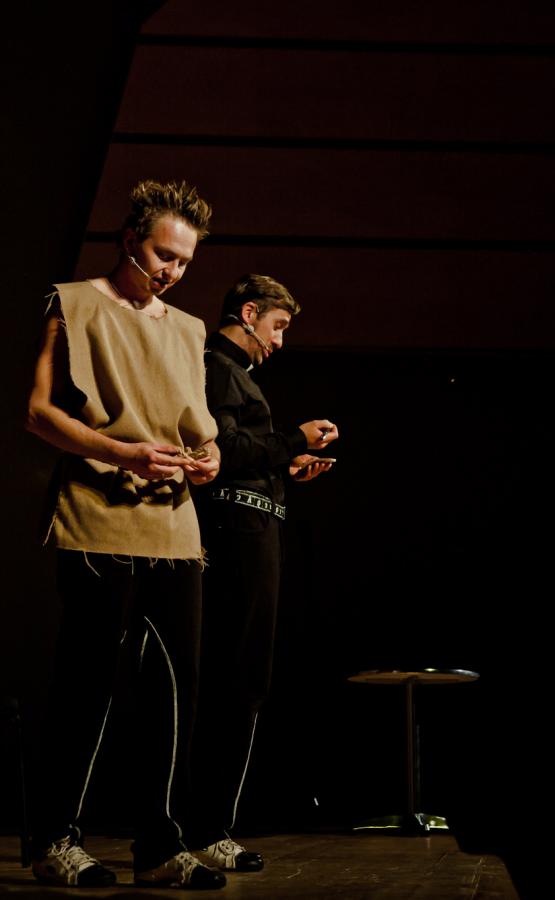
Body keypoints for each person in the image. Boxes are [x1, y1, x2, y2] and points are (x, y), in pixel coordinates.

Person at [25, 179, 227, 890]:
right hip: (98, 517)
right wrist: (123, 453)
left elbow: (201, 428)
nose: (171, 271)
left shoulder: (190, 329)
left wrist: (210, 458)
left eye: (183, 262)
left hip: (175, 525)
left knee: (176, 690)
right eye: (162, 255)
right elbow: (39, 412)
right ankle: (54, 840)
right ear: (129, 240)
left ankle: (159, 846)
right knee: (88, 685)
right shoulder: (72, 303)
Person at [186, 273, 339, 872]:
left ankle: (210, 825)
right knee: (235, 679)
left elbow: (243, 455)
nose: (279, 342)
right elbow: (220, 450)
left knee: (244, 679)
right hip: (235, 538)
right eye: (277, 327)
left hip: (253, 531)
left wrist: (286, 464)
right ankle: (206, 827)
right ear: (248, 314)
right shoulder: (217, 366)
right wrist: (290, 439)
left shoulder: (237, 374)